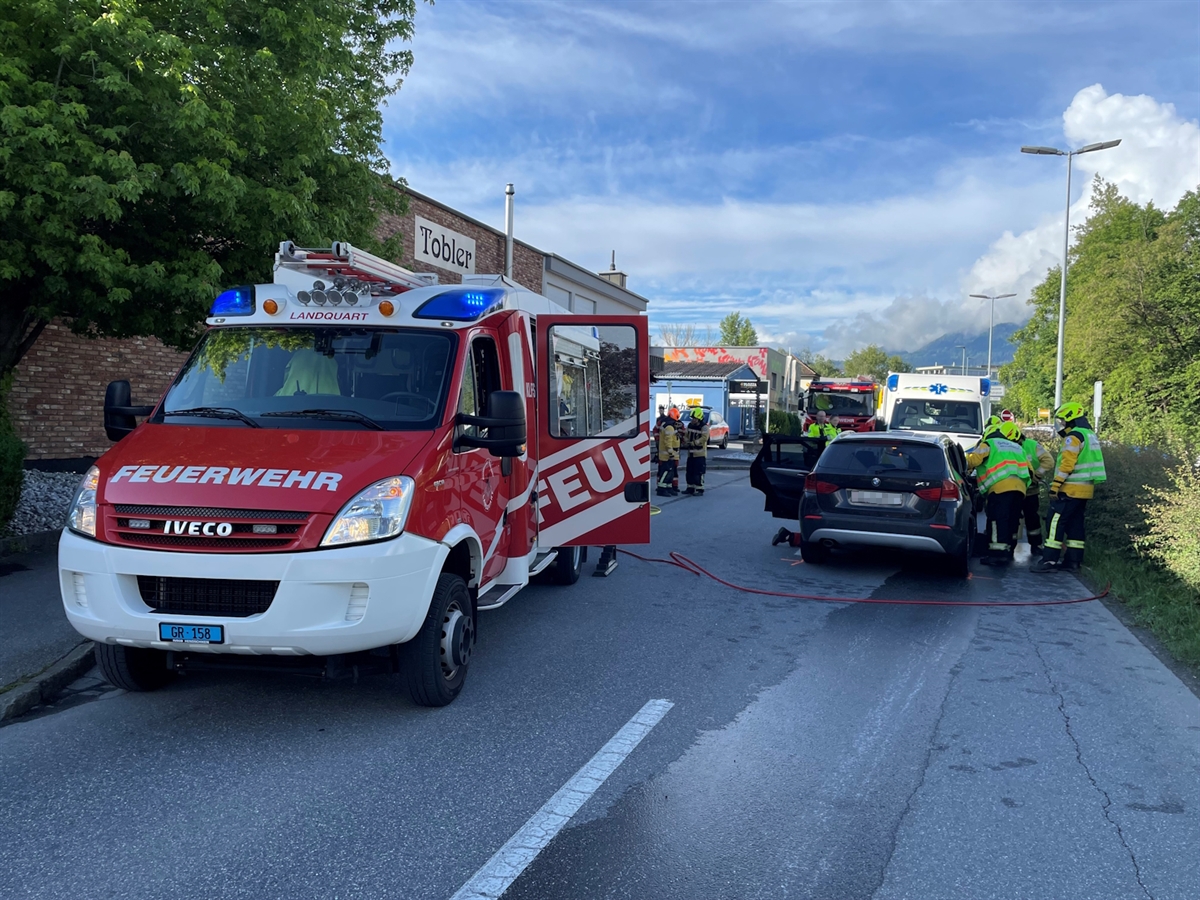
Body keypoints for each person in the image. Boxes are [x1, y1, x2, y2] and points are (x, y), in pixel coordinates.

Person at [1031, 402, 1106, 574]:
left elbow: (1067, 464)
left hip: (1069, 489)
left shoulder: (1073, 437)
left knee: (1055, 522)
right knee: (1075, 524)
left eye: (1063, 421)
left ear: (1071, 419)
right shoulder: (1089, 435)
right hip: (1085, 489)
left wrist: (1056, 485)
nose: (1062, 425)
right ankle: (1073, 561)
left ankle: (1049, 560)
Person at [966, 420, 1032, 566]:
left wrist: (964, 465)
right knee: (1012, 520)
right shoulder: (1017, 447)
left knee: (996, 520)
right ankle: (1008, 551)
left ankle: (997, 554)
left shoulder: (989, 444)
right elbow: (1031, 470)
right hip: (1020, 489)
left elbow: (974, 460)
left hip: (1000, 488)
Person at [1008, 420, 1053, 557]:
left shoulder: (1032, 446)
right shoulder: (1009, 446)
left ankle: (1034, 545)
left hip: (1028, 490)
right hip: (1017, 490)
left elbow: (1049, 461)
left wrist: (1036, 476)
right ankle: (1015, 546)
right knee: (1016, 518)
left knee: (1030, 518)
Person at [683, 407, 710, 495]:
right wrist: (686, 441)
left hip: (700, 454)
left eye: (695, 418)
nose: (693, 420)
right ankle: (690, 488)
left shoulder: (704, 427)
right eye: (692, 418)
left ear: (699, 418)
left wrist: (694, 443)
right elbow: (686, 435)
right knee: (689, 472)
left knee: (698, 472)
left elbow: (704, 438)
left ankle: (699, 489)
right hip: (690, 454)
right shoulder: (690, 425)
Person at [656, 410, 680, 497]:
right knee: (666, 472)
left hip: (667, 454)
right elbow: (668, 441)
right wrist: (671, 452)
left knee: (670, 472)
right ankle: (661, 489)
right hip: (667, 455)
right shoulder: (670, 426)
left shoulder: (666, 423)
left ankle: (668, 488)